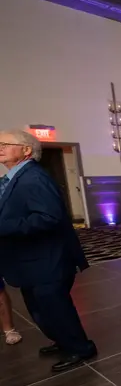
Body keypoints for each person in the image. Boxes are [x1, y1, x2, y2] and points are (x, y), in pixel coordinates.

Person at [0, 129, 97, 371]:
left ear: (26, 150)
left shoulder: (34, 178)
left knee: (55, 307)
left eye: (5, 143)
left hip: (48, 259)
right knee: (39, 308)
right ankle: (63, 341)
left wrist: (4, 226)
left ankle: (81, 348)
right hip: (30, 260)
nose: (0, 147)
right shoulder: (16, 177)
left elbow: (49, 218)